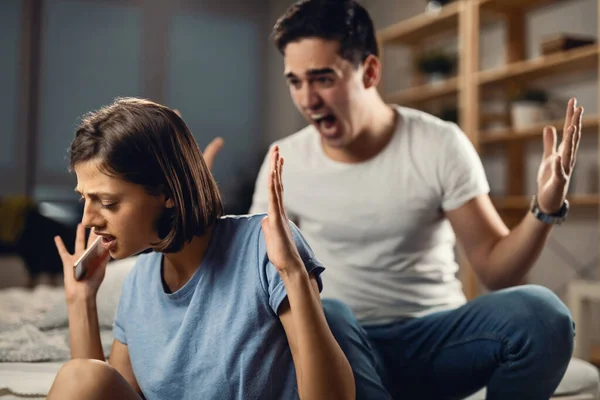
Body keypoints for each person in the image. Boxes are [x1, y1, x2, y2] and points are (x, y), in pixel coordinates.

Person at [245, 1, 584, 399]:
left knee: (543, 315)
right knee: (327, 313)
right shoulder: (284, 160)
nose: (307, 99)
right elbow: (257, 275)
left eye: (322, 78)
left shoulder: (439, 143)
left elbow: (496, 269)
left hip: (437, 341)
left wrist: (544, 209)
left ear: (370, 71)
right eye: (295, 81)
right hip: (345, 345)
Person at [45, 97, 362, 400]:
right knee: (82, 377)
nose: (88, 219)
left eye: (108, 202)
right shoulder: (139, 281)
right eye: (84, 198)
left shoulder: (264, 247)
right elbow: (102, 390)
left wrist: (293, 273)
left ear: (168, 192)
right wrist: (80, 299)